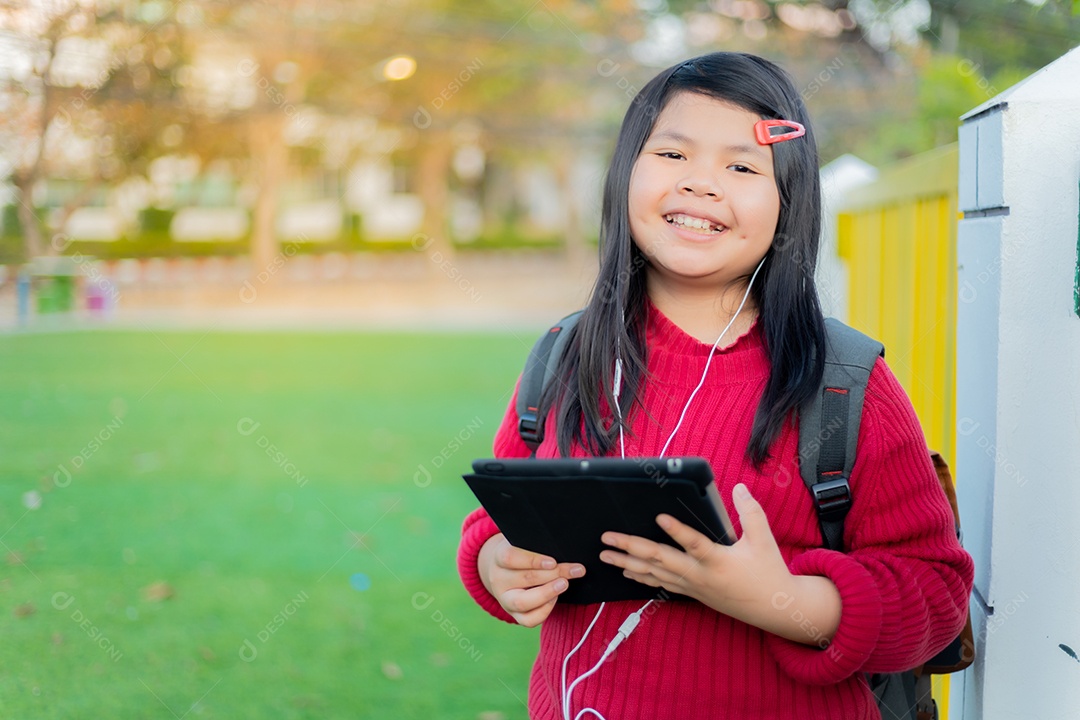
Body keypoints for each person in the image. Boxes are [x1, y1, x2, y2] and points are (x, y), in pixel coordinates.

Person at [457, 52, 974, 720]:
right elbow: (499, 519)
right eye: (673, 154)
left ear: (789, 200)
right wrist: (497, 565)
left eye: (740, 166)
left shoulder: (845, 385)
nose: (702, 185)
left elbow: (935, 597)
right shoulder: (564, 355)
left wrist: (778, 600)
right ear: (625, 173)